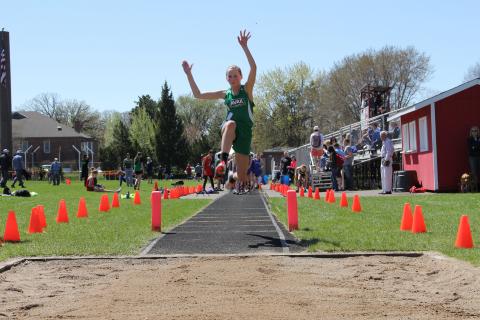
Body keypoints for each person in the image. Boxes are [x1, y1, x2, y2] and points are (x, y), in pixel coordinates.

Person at [182, 30, 256, 190]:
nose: (232, 78)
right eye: (229, 76)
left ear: (241, 76)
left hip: (245, 132)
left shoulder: (247, 90)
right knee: (230, 124)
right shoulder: (225, 94)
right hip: (230, 130)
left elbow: (254, 67)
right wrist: (189, 75)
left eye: (235, 76)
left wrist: (245, 47)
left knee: (242, 177)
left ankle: (232, 178)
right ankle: (222, 161)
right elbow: (198, 94)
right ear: (226, 79)